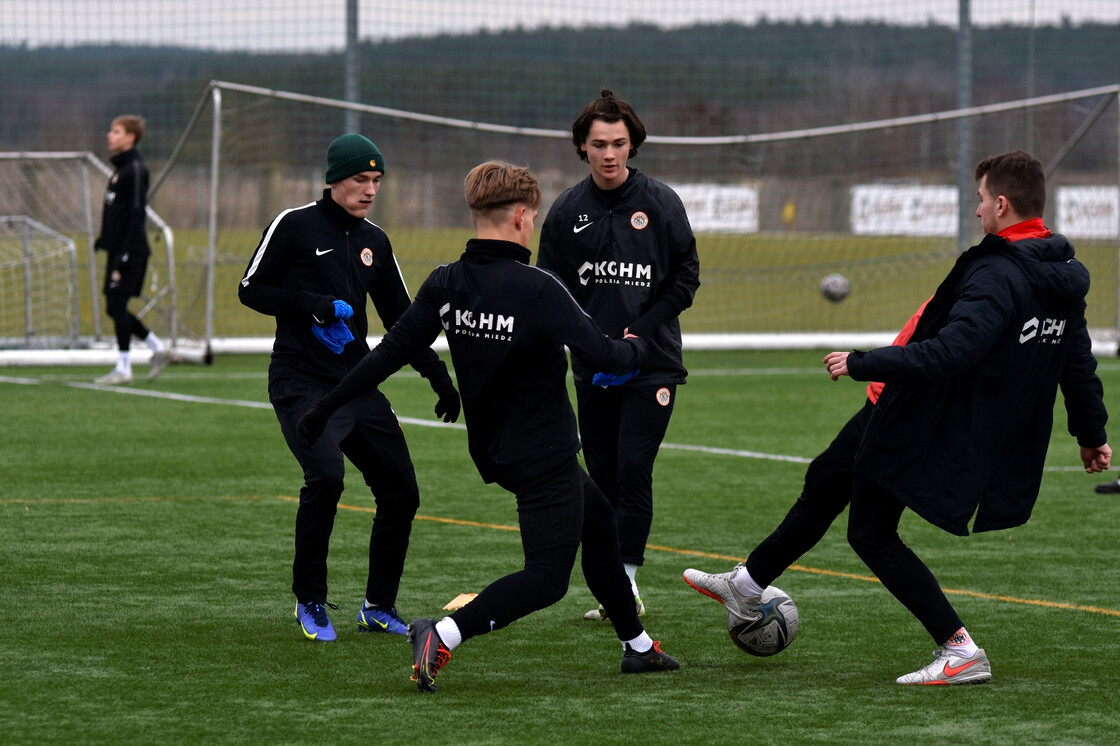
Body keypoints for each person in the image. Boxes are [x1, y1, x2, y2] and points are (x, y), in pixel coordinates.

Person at [685, 149, 1110, 686]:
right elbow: (1077, 360)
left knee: (871, 531)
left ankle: (960, 650)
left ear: (1001, 204)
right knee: (826, 479)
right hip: (893, 400)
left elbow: (956, 350)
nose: (976, 210)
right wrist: (1092, 434)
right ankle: (748, 584)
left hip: (920, 412)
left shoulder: (1002, 271)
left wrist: (864, 362)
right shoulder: (1056, 271)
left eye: (980, 200)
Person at [297, 160, 681, 692]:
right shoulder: (539, 288)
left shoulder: (447, 281)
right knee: (547, 579)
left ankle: (637, 646)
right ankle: (445, 632)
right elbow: (607, 357)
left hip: (494, 449)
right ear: (524, 217)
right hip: (541, 452)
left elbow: (388, 353)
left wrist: (324, 405)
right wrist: (643, 344)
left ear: (477, 212)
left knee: (599, 524)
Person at [238, 133, 460, 643]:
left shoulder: (375, 242)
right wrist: (311, 304)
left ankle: (378, 606)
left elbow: (404, 320)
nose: (370, 190)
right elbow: (250, 288)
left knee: (401, 492)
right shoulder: (293, 225)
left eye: (377, 181)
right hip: (299, 381)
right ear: (334, 179)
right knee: (327, 479)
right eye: (361, 179)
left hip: (356, 382)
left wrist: (436, 373)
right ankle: (310, 601)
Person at [537, 90, 700, 621]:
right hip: (592, 365)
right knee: (601, 475)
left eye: (620, 144)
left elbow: (685, 278)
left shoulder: (660, 203)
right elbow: (549, 288)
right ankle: (611, 586)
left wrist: (642, 330)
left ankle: (626, 584)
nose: (610, 154)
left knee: (633, 468)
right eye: (599, 144)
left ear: (633, 146)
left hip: (652, 364)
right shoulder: (565, 212)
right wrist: (583, 340)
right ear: (582, 148)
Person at [94, 114, 171, 384]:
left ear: (131, 137)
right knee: (114, 307)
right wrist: (105, 239)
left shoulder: (136, 169)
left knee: (116, 305)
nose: (110, 135)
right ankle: (157, 348)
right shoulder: (120, 170)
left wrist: (126, 252)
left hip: (132, 249)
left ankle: (124, 367)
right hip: (119, 248)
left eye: (116, 131)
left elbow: (137, 213)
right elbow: (118, 212)